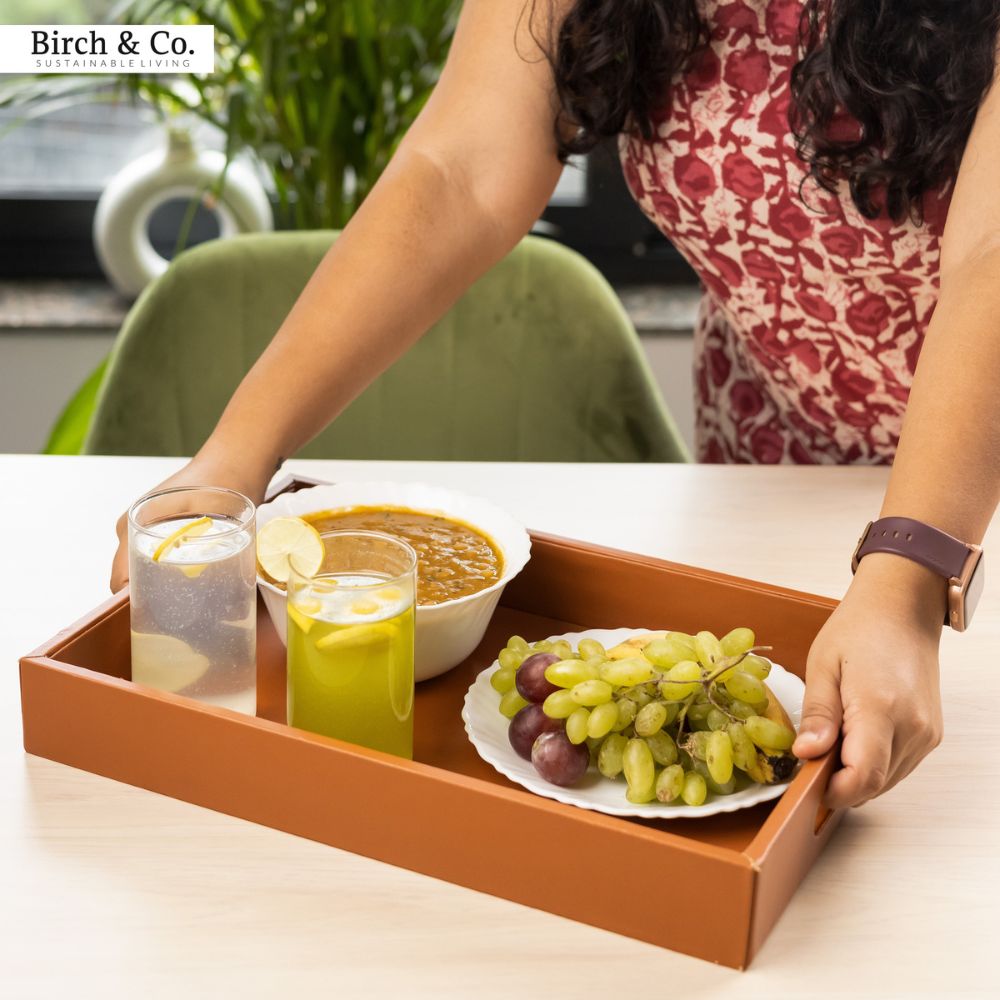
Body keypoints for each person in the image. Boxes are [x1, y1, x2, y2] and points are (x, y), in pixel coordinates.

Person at [110, 0, 1000, 809]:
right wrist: (234, 459)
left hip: (963, 501)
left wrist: (910, 572)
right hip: (773, 454)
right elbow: (459, 169)